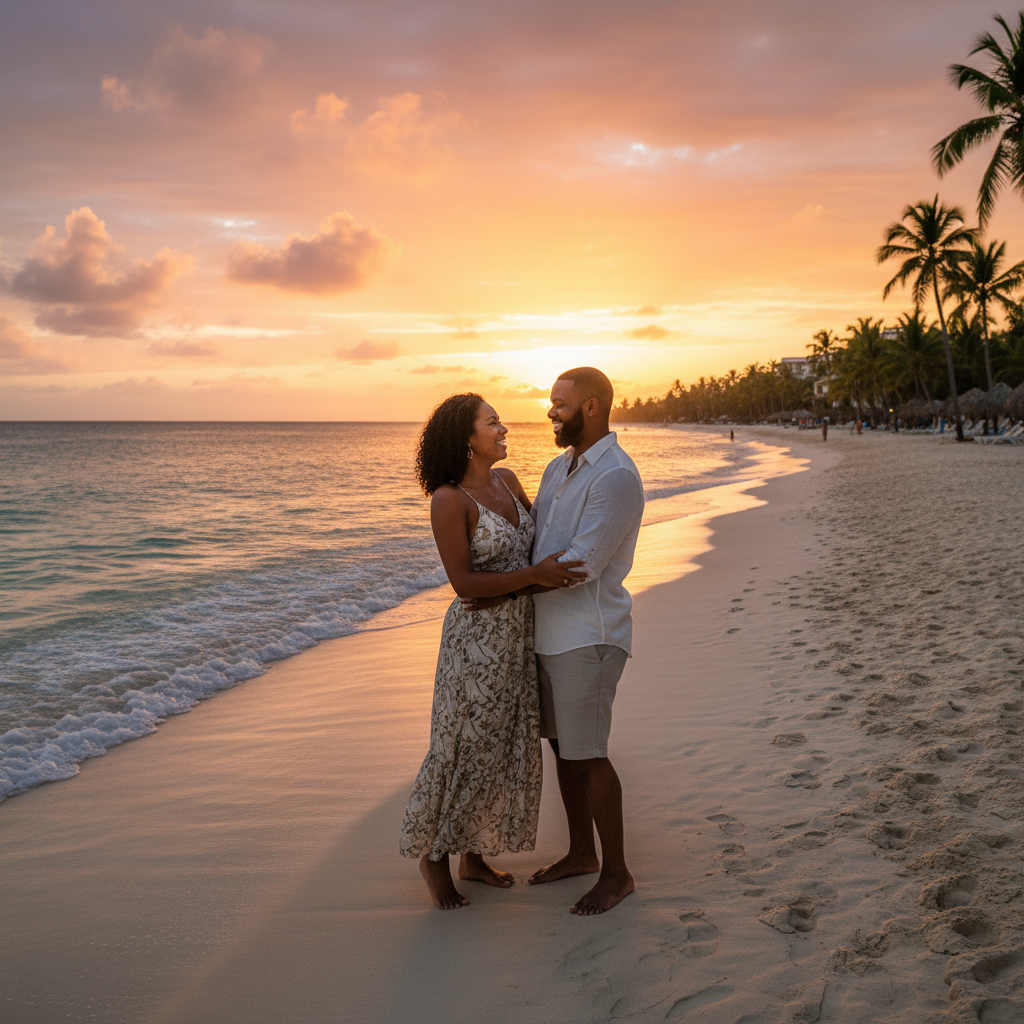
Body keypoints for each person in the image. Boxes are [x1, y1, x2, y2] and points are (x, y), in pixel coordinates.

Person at [399, 393, 585, 910]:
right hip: (475, 646)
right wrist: (530, 581)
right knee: (462, 747)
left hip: (518, 636)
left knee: (499, 745)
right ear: (466, 437)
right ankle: (433, 857)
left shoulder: (507, 482)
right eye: (493, 422)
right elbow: (463, 583)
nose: (504, 429)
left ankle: (474, 857)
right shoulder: (448, 498)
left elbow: (539, 544)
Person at [526, 367, 645, 916]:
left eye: (559, 403)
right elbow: (537, 542)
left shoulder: (616, 475)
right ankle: (581, 853)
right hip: (549, 633)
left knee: (590, 755)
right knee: (562, 748)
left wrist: (504, 587)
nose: (550, 411)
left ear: (592, 407)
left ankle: (617, 873)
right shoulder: (558, 467)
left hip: (589, 635)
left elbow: (583, 563)